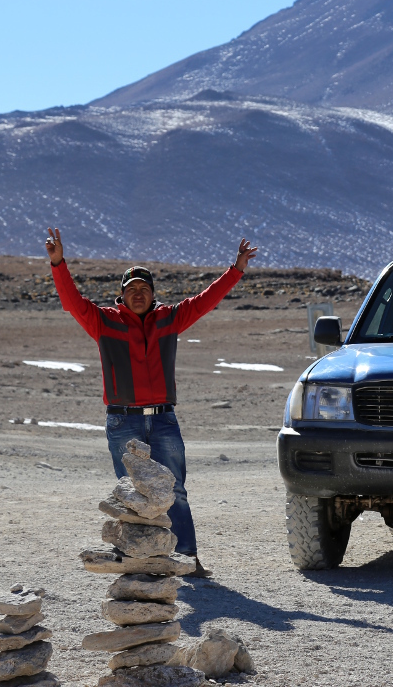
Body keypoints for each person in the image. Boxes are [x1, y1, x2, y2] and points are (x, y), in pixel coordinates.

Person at [45, 227, 257, 577]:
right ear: (122, 296)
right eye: (132, 290)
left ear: (153, 294)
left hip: (162, 420)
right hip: (123, 421)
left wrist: (235, 270)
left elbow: (205, 300)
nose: (138, 294)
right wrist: (58, 263)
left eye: (144, 289)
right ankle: (137, 560)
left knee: (175, 491)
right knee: (132, 495)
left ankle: (187, 558)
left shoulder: (169, 319)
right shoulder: (103, 321)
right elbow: (71, 302)